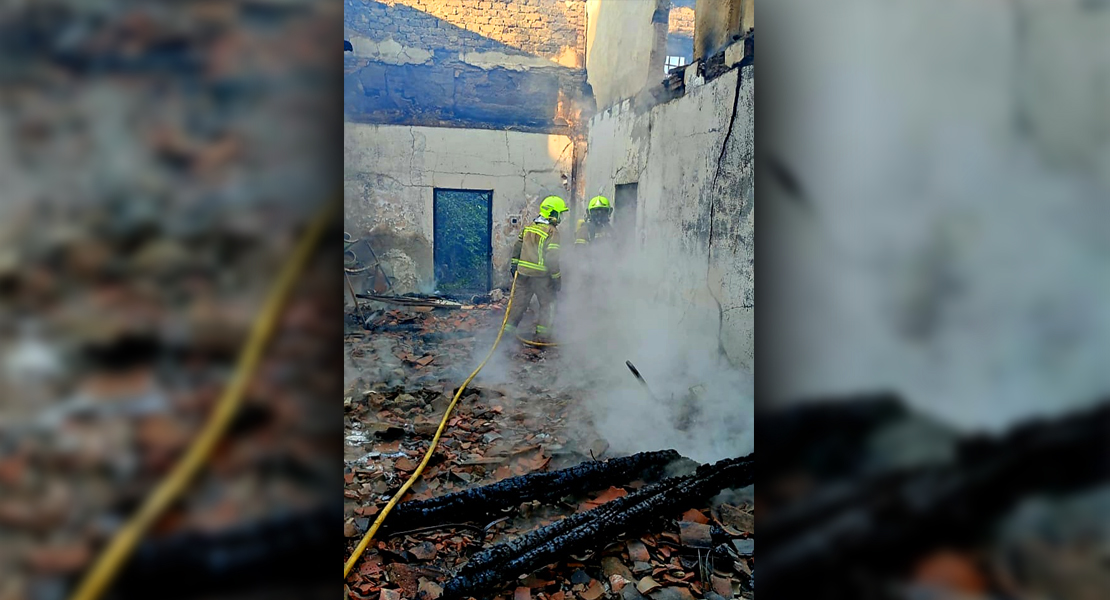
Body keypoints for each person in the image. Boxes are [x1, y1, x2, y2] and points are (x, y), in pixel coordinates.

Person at [506, 195, 567, 341]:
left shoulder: (528, 228)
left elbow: (517, 248)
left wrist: (514, 266)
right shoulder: (552, 232)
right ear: (552, 214)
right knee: (548, 305)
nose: (561, 217)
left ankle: (506, 335)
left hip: (523, 275)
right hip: (541, 278)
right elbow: (552, 258)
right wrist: (557, 278)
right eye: (560, 213)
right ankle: (542, 337)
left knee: (518, 305)